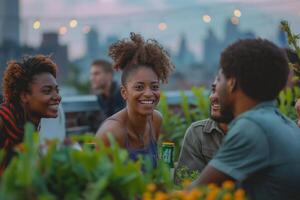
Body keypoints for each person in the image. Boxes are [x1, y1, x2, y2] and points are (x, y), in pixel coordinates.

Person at [190, 39, 300, 199]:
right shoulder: (286, 124)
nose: (215, 93)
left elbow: (194, 193)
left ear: (231, 83)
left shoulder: (253, 127)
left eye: (219, 80)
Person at [95, 33, 174, 167]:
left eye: (154, 87)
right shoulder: (111, 133)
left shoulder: (155, 120)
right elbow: (100, 183)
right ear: (124, 93)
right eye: (139, 87)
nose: (149, 93)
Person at [0, 55, 61, 173]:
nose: (57, 97)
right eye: (47, 91)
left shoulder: (27, 125)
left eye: (57, 90)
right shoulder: (3, 121)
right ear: (24, 96)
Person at [175, 79, 228, 179]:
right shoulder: (197, 133)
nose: (213, 97)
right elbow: (185, 182)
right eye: (213, 90)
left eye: (222, 91)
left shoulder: (254, 133)